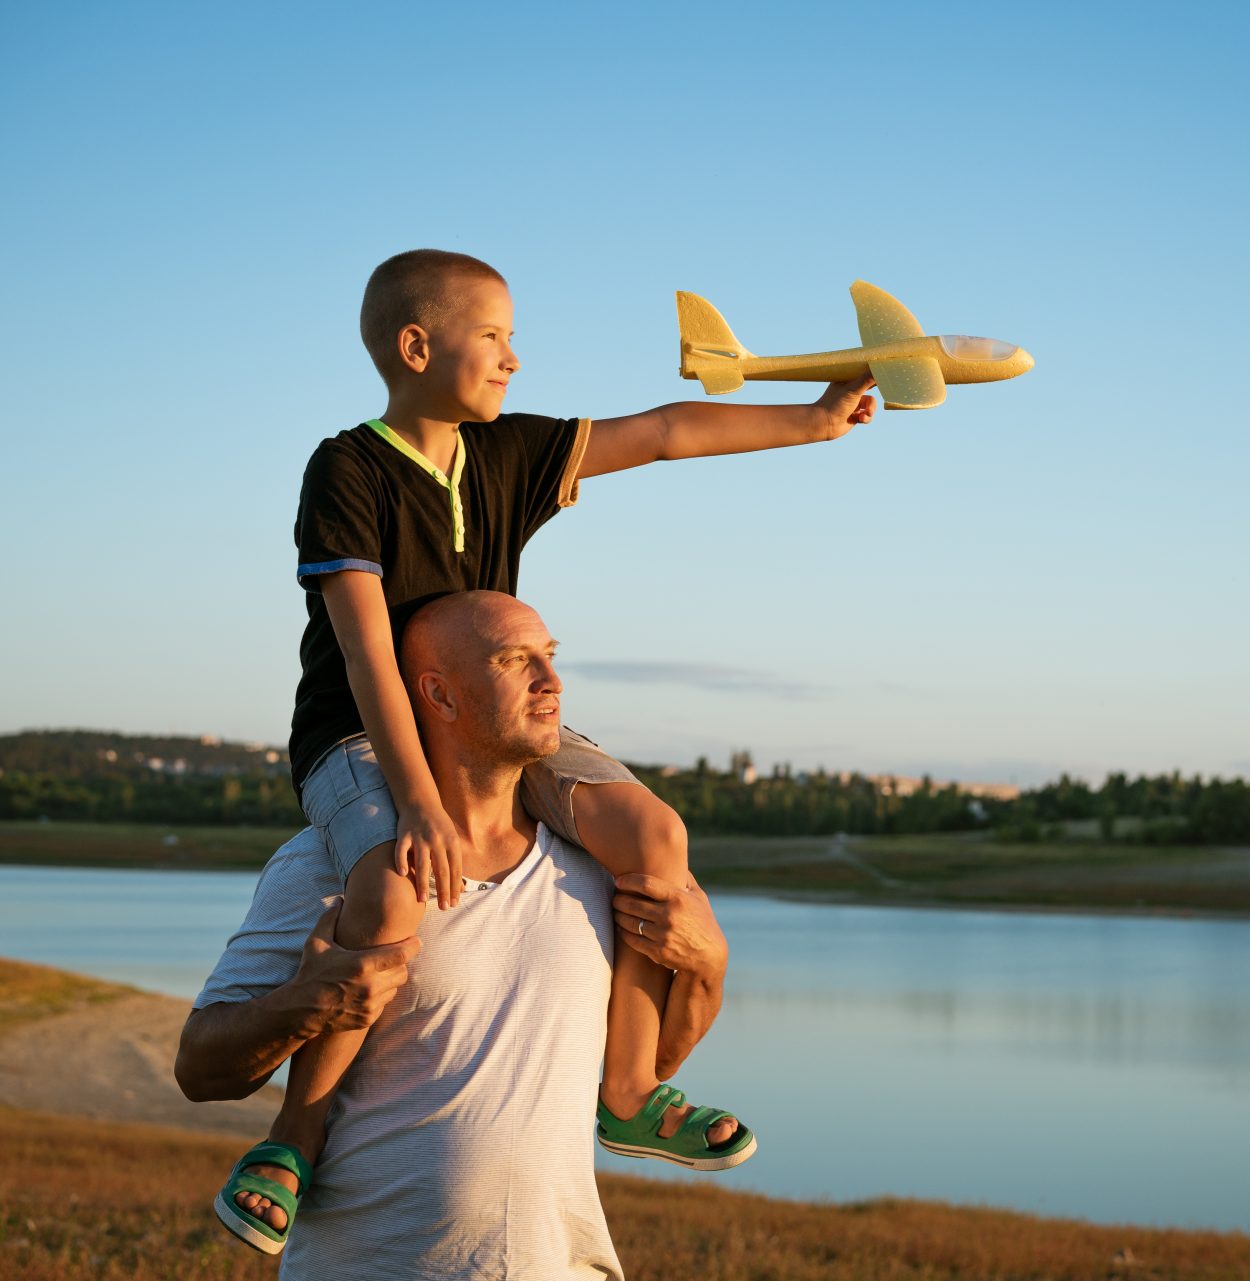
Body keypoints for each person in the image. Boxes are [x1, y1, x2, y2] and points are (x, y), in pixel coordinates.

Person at [217, 248, 878, 1252]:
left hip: (494, 724)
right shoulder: (346, 470)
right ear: (416, 346)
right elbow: (363, 651)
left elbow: (662, 433)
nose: (514, 360)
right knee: (394, 884)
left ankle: (628, 1085)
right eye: (494, 339)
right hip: (361, 734)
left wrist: (817, 422)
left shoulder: (507, 452)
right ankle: (294, 1135)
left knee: (653, 835)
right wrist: (423, 805)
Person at [179, 591, 734, 1277]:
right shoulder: (335, 865)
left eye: (550, 658)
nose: (552, 682)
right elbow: (200, 1068)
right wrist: (304, 1003)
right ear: (439, 694)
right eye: (515, 661)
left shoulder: (597, 864)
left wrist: (709, 965)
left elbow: (657, 1064)